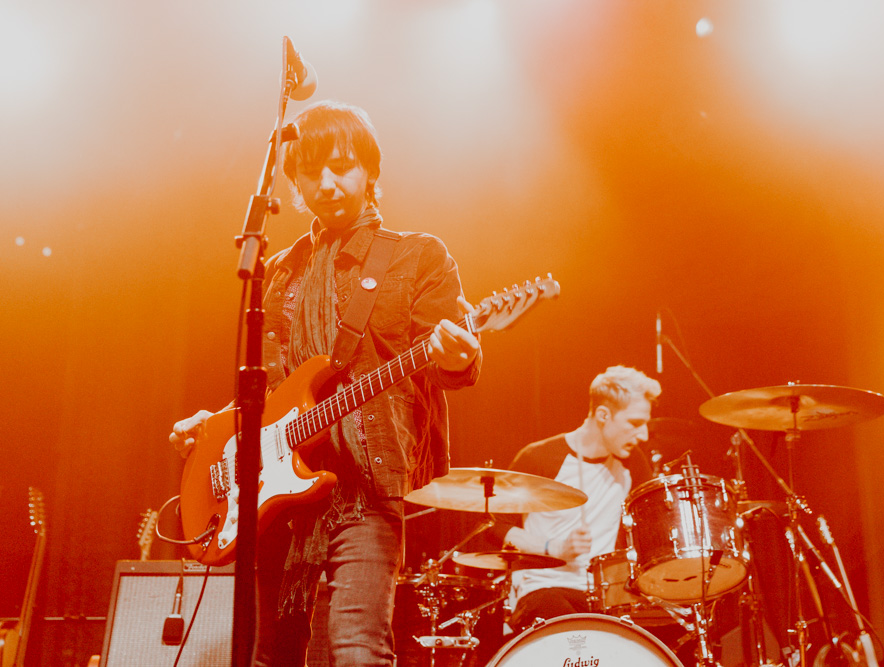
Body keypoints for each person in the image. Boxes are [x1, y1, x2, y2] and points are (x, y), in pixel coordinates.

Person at [168, 101, 482, 666]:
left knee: (358, 649)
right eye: (312, 172)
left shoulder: (417, 257)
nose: (329, 182)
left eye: (343, 166)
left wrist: (458, 355)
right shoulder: (281, 269)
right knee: (272, 656)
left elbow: (449, 363)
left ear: (370, 173)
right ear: (292, 183)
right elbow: (269, 395)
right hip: (279, 491)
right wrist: (214, 425)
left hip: (365, 490)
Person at [498, 365, 660, 631]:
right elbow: (495, 527)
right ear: (603, 415)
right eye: (634, 423)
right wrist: (555, 548)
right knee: (572, 628)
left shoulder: (633, 463)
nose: (642, 435)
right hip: (542, 589)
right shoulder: (539, 458)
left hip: (603, 598)